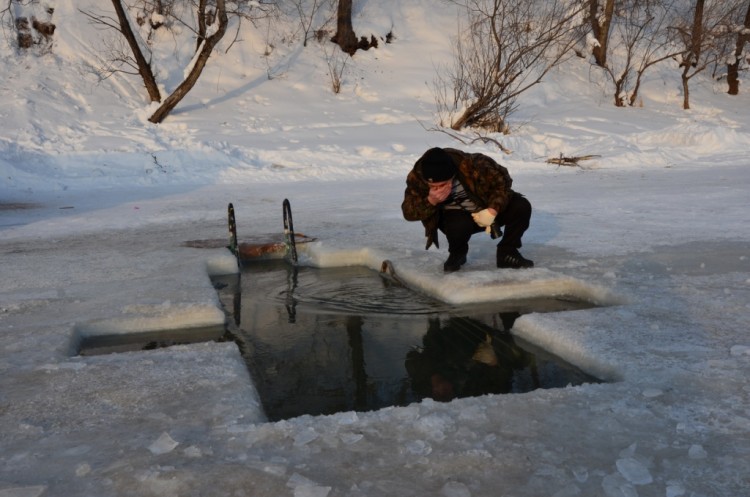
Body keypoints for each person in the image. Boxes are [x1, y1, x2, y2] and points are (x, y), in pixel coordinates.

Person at [401, 147, 533, 272]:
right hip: (455, 218)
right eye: (432, 186)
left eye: (442, 185)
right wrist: (431, 201)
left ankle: (507, 252)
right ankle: (457, 254)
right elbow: (408, 212)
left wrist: (493, 210)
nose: (438, 189)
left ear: (452, 176)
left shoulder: (476, 164)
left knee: (521, 206)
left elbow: (503, 185)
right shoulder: (417, 177)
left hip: (486, 211)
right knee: (458, 224)